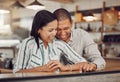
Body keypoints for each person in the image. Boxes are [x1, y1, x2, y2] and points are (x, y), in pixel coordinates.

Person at [13, 10, 89, 73]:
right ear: (38, 29)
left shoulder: (59, 44)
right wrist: (41, 69)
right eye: (50, 30)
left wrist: (64, 67)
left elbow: (83, 63)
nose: (54, 33)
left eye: (56, 29)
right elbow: (16, 72)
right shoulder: (27, 44)